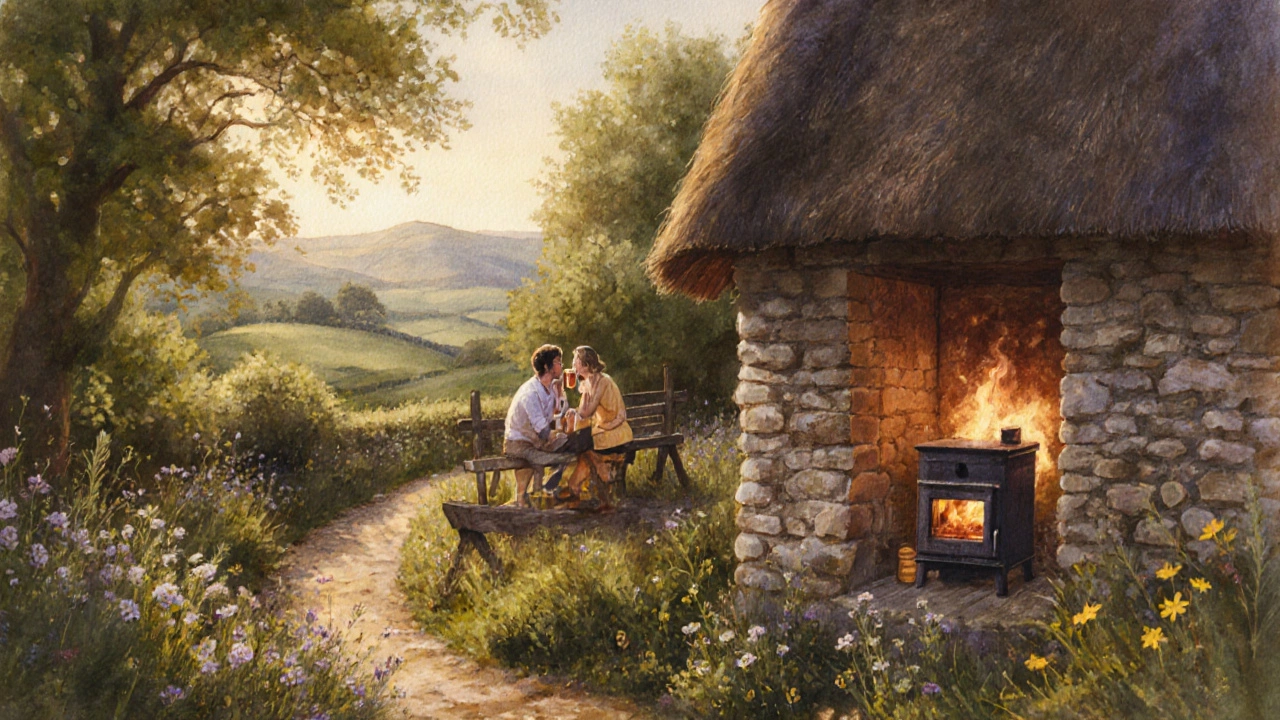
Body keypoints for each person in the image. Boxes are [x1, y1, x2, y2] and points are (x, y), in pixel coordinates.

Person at [561, 346, 633, 510]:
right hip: (603, 431)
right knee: (577, 444)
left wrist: (583, 398)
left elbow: (587, 412)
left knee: (575, 445)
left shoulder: (602, 381)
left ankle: (583, 484)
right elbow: (583, 414)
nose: (572, 366)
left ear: (586, 365)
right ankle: (576, 487)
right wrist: (577, 407)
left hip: (615, 433)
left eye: (575, 362)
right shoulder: (589, 382)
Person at [503, 344, 571, 507]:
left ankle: (551, 493)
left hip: (536, 441)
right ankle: (533, 498)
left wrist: (561, 395)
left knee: (570, 447)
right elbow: (542, 430)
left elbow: (561, 413)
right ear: (547, 367)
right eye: (557, 362)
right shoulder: (530, 393)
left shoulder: (552, 388)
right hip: (518, 443)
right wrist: (556, 434)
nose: (561, 365)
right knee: (545, 458)